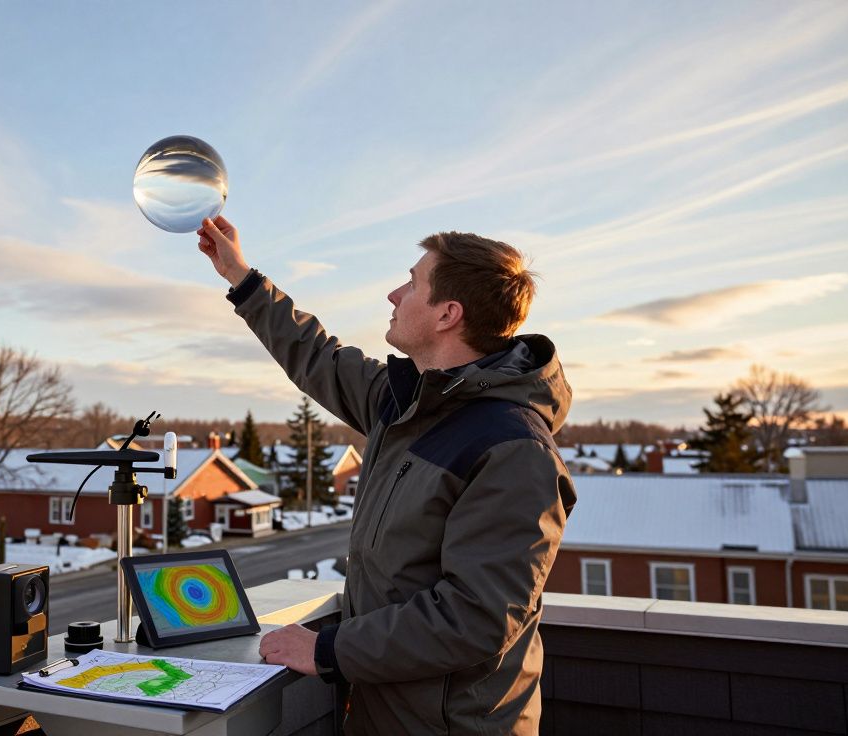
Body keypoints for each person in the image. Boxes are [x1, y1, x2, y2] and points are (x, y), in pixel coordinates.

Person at [197, 215, 576, 735]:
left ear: (448, 314)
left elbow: (478, 617)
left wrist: (327, 648)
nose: (394, 294)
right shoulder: (408, 405)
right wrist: (241, 277)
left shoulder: (512, 449)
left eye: (413, 283)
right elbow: (318, 357)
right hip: (387, 714)